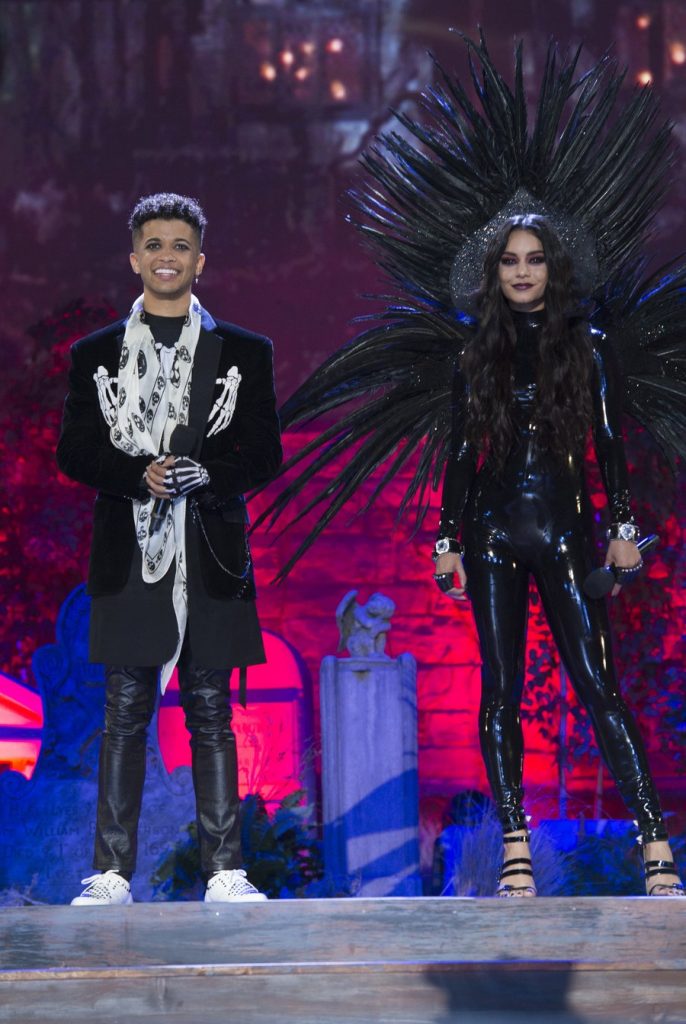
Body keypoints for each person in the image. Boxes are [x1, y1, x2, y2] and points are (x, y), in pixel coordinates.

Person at [432, 214, 684, 897]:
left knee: (600, 686)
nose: (522, 271)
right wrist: (447, 540)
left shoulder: (589, 347)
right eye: (510, 260)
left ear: (553, 269)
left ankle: (654, 841)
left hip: (567, 528)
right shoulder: (475, 353)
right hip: (490, 532)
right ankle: (515, 845)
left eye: (535, 259)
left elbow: (609, 442)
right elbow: (462, 452)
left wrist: (623, 526)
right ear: (494, 272)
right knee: (500, 689)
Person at [56, 192, 282, 904]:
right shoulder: (95, 355)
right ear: (134, 259)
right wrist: (138, 474)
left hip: (209, 549)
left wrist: (207, 474)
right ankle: (111, 874)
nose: (166, 257)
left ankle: (226, 870)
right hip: (129, 553)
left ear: (199, 261)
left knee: (211, 710)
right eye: (153, 244)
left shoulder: (244, 352)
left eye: (179, 246)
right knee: (124, 710)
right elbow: (74, 450)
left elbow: (265, 453)